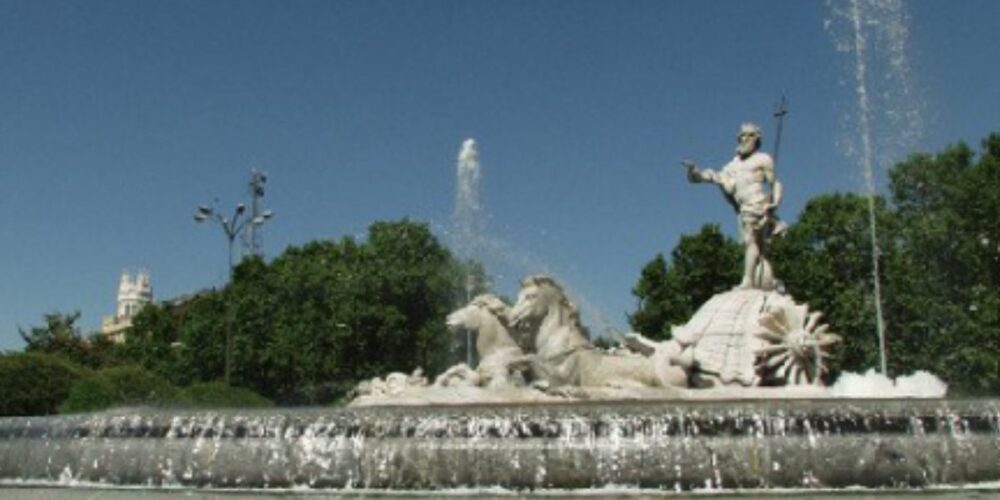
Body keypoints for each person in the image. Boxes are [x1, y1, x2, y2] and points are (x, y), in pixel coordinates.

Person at [684, 123, 785, 289]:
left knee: (751, 240)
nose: (744, 139)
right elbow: (708, 176)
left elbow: (775, 183)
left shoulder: (763, 159)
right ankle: (768, 282)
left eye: (749, 135)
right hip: (744, 210)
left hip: (760, 205)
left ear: (756, 139)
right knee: (757, 248)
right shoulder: (732, 166)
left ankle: (749, 280)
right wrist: (693, 171)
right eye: (742, 136)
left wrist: (775, 202)